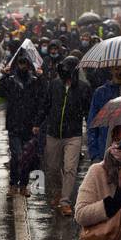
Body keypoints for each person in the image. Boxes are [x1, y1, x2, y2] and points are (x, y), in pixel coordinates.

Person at [39, 54, 93, 216]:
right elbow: (46, 105)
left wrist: (91, 128)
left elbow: (88, 111)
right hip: (53, 133)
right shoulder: (54, 85)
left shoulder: (83, 88)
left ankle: (65, 200)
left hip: (73, 135)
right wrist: (37, 123)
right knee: (53, 167)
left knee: (70, 168)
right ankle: (57, 191)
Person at [0, 54, 45, 196]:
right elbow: (1, 92)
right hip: (14, 124)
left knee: (26, 156)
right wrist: (4, 75)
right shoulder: (10, 80)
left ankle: (23, 185)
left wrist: (41, 78)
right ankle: (13, 183)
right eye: (20, 63)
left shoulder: (35, 81)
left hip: (29, 125)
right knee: (17, 155)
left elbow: (42, 99)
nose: (22, 66)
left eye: (25, 63)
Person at [87, 67, 121, 162]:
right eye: (117, 69)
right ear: (111, 70)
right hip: (105, 150)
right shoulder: (101, 93)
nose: (120, 71)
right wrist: (94, 154)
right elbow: (92, 124)